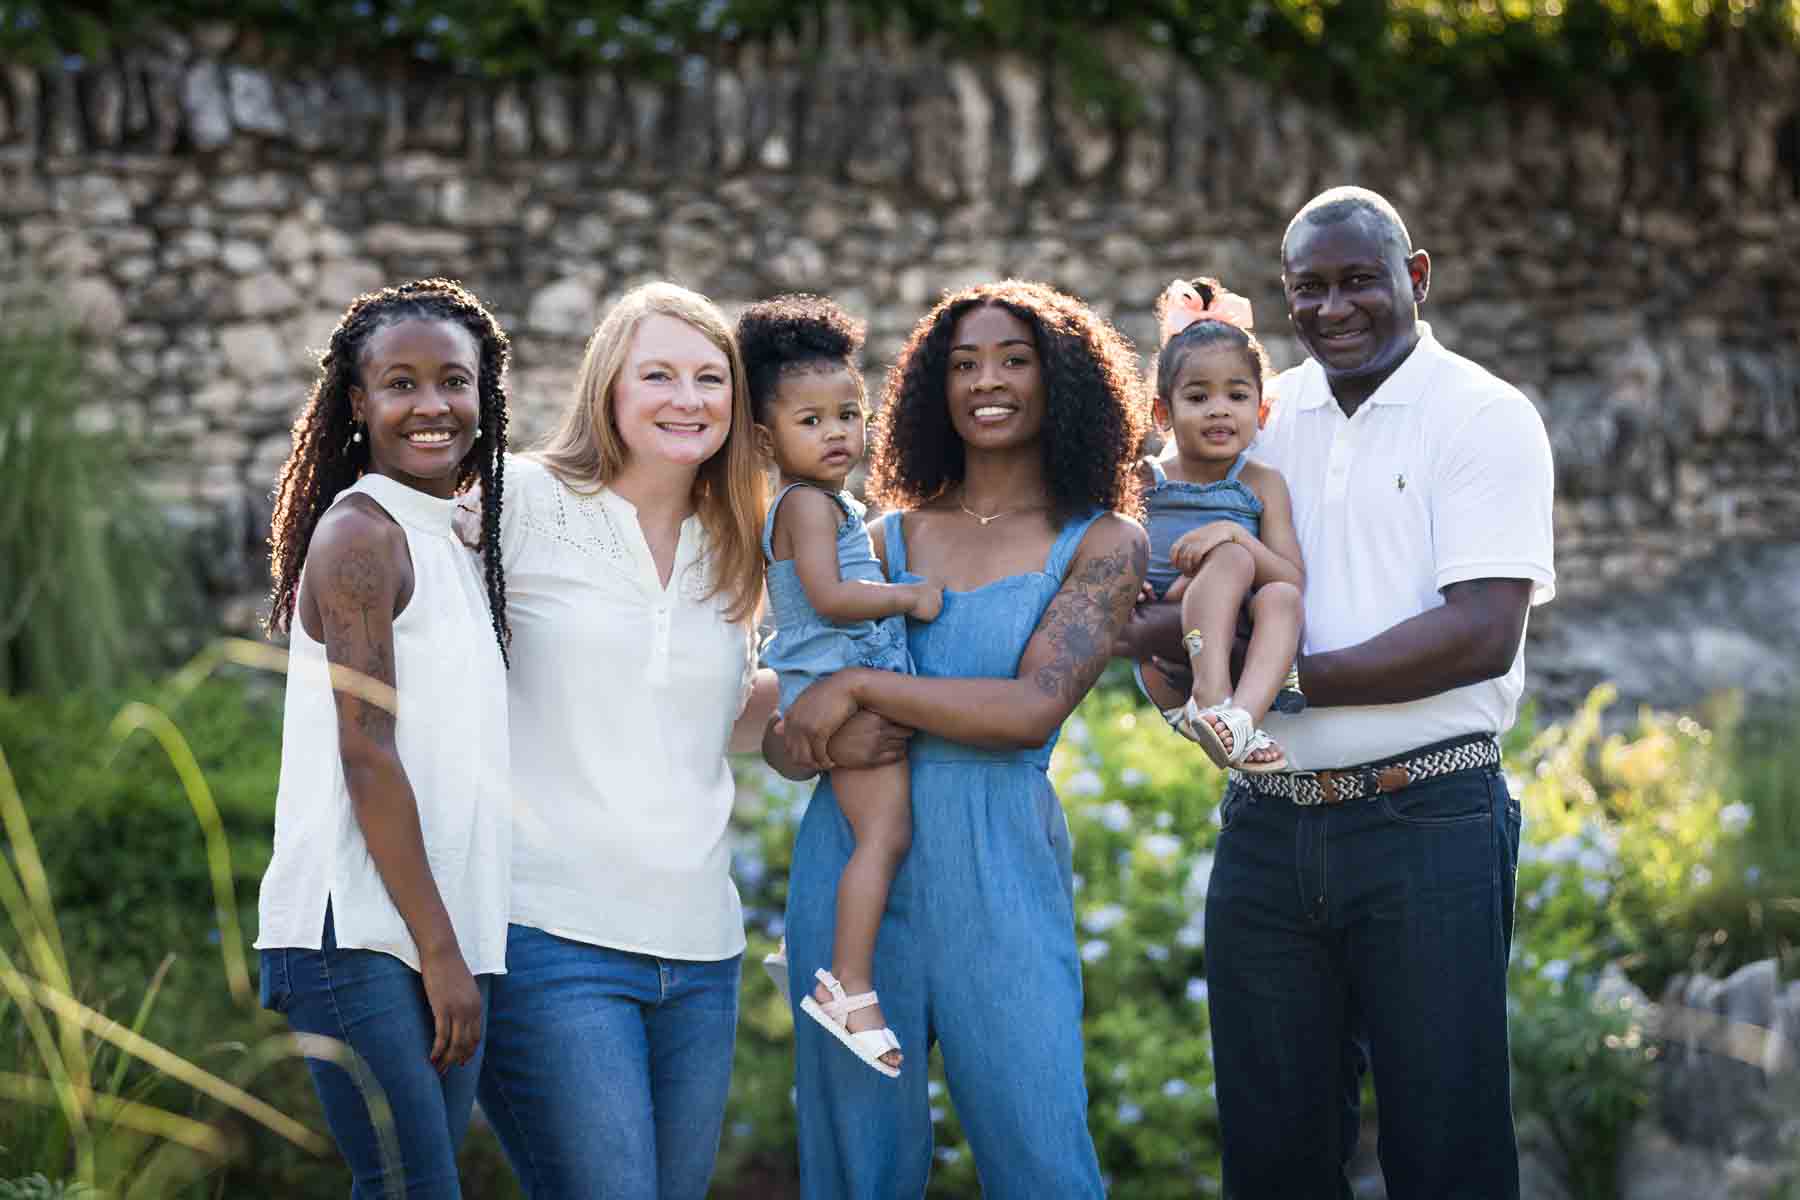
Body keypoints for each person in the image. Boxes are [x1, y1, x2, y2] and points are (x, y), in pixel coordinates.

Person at [1184, 187, 1555, 1198]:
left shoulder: (1483, 416)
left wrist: (1279, 687)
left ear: (1417, 278)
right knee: (1272, 1157)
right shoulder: (1260, 417)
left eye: (1360, 281)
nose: (1334, 308)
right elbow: (1179, 585)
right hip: (1266, 828)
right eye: (1309, 288)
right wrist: (1186, 662)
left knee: (1446, 1148)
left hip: (1429, 819)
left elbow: (1482, 633)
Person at [769, 280, 1149, 1199]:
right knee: (854, 1162)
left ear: (1063, 383)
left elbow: (1028, 711)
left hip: (1003, 866)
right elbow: (793, 729)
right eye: (964, 363)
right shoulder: (875, 540)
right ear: (932, 390)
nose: (988, 380)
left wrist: (864, 687)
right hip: (856, 857)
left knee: (1040, 1150)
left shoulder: (1103, 543)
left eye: (1015, 360)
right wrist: (806, 738)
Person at [471, 282, 782, 1200]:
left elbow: (712, 714)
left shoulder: (738, 542)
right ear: (608, 386)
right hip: (548, 937)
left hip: (701, 948)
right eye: (658, 374)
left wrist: (865, 702)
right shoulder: (516, 501)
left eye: (709, 378)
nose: (688, 399)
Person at [255, 278, 514, 1199]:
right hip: (354, 931)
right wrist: (440, 953)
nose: (433, 405)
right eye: (401, 385)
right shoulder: (362, 537)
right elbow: (368, 754)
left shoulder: (453, 537)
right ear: (358, 405)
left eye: (455, 381)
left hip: (429, 926)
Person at [740, 295, 943, 1078]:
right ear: (767, 438)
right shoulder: (804, 507)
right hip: (837, 686)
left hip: (844, 683)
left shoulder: (827, 502)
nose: (837, 434)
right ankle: (846, 987)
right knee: (883, 837)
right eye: (812, 421)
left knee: (866, 832)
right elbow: (828, 597)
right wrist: (906, 596)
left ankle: (806, 947)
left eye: (849, 415)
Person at [1130, 276, 1304, 774]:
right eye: (1198, 397)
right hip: (1170, 641)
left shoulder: (1263, 483)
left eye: (1237, 395)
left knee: (1282, 597)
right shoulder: (1145, 478)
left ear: (1262, 410)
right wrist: (1124, 577)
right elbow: (1097, 546)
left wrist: (1234, 534)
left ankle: (1239, 721)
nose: (1219, 409)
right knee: (1230, 560)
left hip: (1235, 620)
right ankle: (1210, 699)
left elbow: (1290, 577)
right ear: (1163, 413)